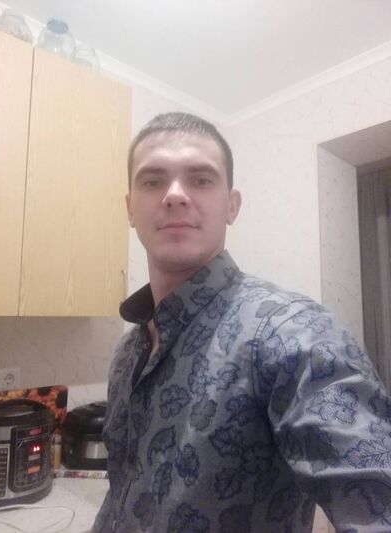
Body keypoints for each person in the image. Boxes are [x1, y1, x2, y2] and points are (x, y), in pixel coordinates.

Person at [92, 112, 391, 533]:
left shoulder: (293, 332)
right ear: (129, 209)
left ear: (231, 207)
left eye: (200, 179)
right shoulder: (128, 351)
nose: (174, 195)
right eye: (153, 180)